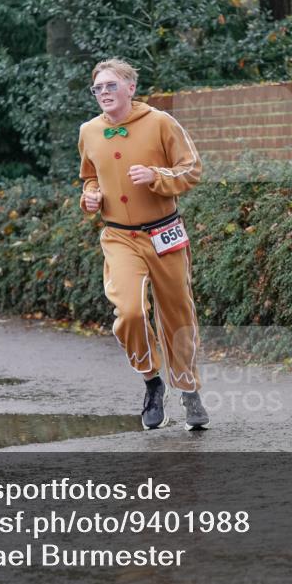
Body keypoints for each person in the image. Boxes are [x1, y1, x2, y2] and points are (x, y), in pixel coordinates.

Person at [78, 58, 209, 431]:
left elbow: (192, 169)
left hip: (164, 232)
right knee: (130, 312)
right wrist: (90, 197)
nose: (103, 93)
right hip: (119, 235)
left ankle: (188, 390)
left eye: (110, 86)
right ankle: (152, 381)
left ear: (130, 88)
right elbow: (89, 177)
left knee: (177, 314)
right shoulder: (88, 131)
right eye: (98, 88)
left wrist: (157, 175)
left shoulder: (161, 122)